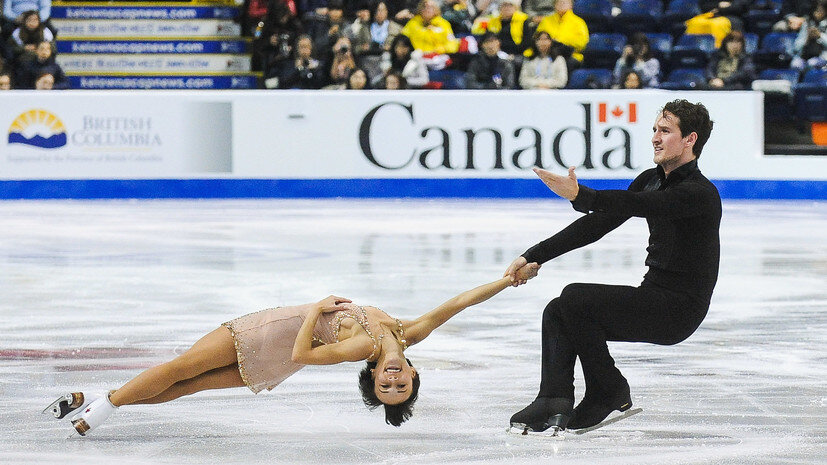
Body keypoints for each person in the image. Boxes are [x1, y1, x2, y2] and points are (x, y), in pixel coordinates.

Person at [45, 266, 541, 436]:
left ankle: (105, 403)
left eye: (384, 387)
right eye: (400, 386)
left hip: (278, 336)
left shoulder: (361, 348)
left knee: (184, 382)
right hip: (271, 345)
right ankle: (102, 404)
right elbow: (460, 302)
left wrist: (315, 308)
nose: (392, 380)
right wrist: (507, 279)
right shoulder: (410, 332)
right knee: (181, 374)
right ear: (412, 375)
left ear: (373, 378)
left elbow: (303, 355)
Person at [505, 99, 720, 435]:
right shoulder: (650, 179)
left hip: (679, 309)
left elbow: (640, 204)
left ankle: (608, 389)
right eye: (654, 130)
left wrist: (582, 195)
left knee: (575, 298)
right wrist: (534, 255)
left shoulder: (699, 193)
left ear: (690, 139)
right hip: (653, 297)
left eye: (665, 131)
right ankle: (553, 399)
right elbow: (595, 226)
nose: (655, 137)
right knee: (559, 310)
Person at [534, 0, 589, 68]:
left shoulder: (579, 22)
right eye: (559, 2)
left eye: (565, 2)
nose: (561, 4)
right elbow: (537, 37)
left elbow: (582, 43)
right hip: (547, 54)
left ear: (571, 5)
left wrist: (560, 41)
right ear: (554, 4)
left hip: (570, 55)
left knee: (567, 62)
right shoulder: (546, 21)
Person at [791, 0, 827, 71]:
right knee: (796, 64)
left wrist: (819, 36)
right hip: (804, 56)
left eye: (819, 10)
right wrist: (806, 39)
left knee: (812, 63)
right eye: (815, 10)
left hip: (822, 57)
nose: (816, 13)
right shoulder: (807, 23)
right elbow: (796, 47)